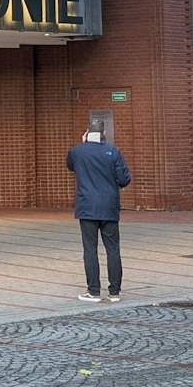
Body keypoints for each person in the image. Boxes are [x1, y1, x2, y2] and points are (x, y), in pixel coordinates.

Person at [68, 118, 131, 303]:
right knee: (113, 248)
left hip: (87, 206)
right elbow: (124, 179)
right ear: (104, 133)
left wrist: (83, 143)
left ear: (87, 132)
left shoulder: (77, 151)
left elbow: (71, 166)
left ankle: (94, 291)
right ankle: (114, 292)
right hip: (109, 206)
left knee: (90, 249)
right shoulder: (114, 151)